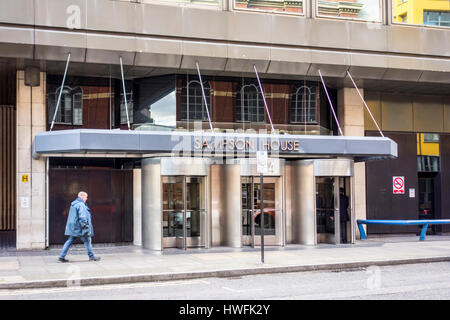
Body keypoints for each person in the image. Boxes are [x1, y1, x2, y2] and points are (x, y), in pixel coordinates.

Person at [58, 191, 100, 262]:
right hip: (80, 227)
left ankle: (61, 256)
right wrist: (86, 227)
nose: (86, 198)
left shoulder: (74, 204)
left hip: (74, 227)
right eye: (86, 197)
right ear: (82, 197)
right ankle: (92, 257)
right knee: (87, 240)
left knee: (70, 240)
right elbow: (83, 217)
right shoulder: (81, 205)